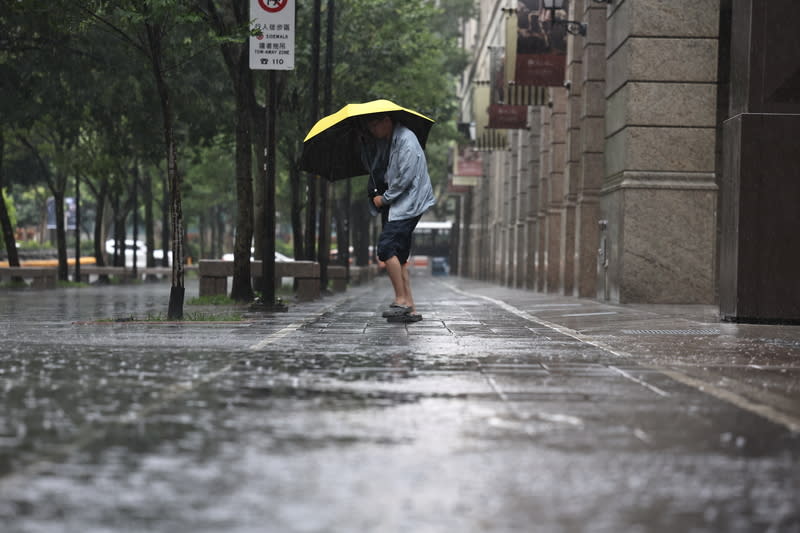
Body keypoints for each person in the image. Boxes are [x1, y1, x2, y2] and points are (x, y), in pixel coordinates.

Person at [361, 113, 435, 322]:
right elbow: (383, 171)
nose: (373, 131)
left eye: (375, 125)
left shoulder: (406, 141)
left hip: (407, 204)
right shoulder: (390, 141)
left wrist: (384, 199)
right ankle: (410, 306)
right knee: (400, 256)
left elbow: (404, 178)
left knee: (386, 248)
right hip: (399, 205)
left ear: (386, 121)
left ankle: (401, 300)